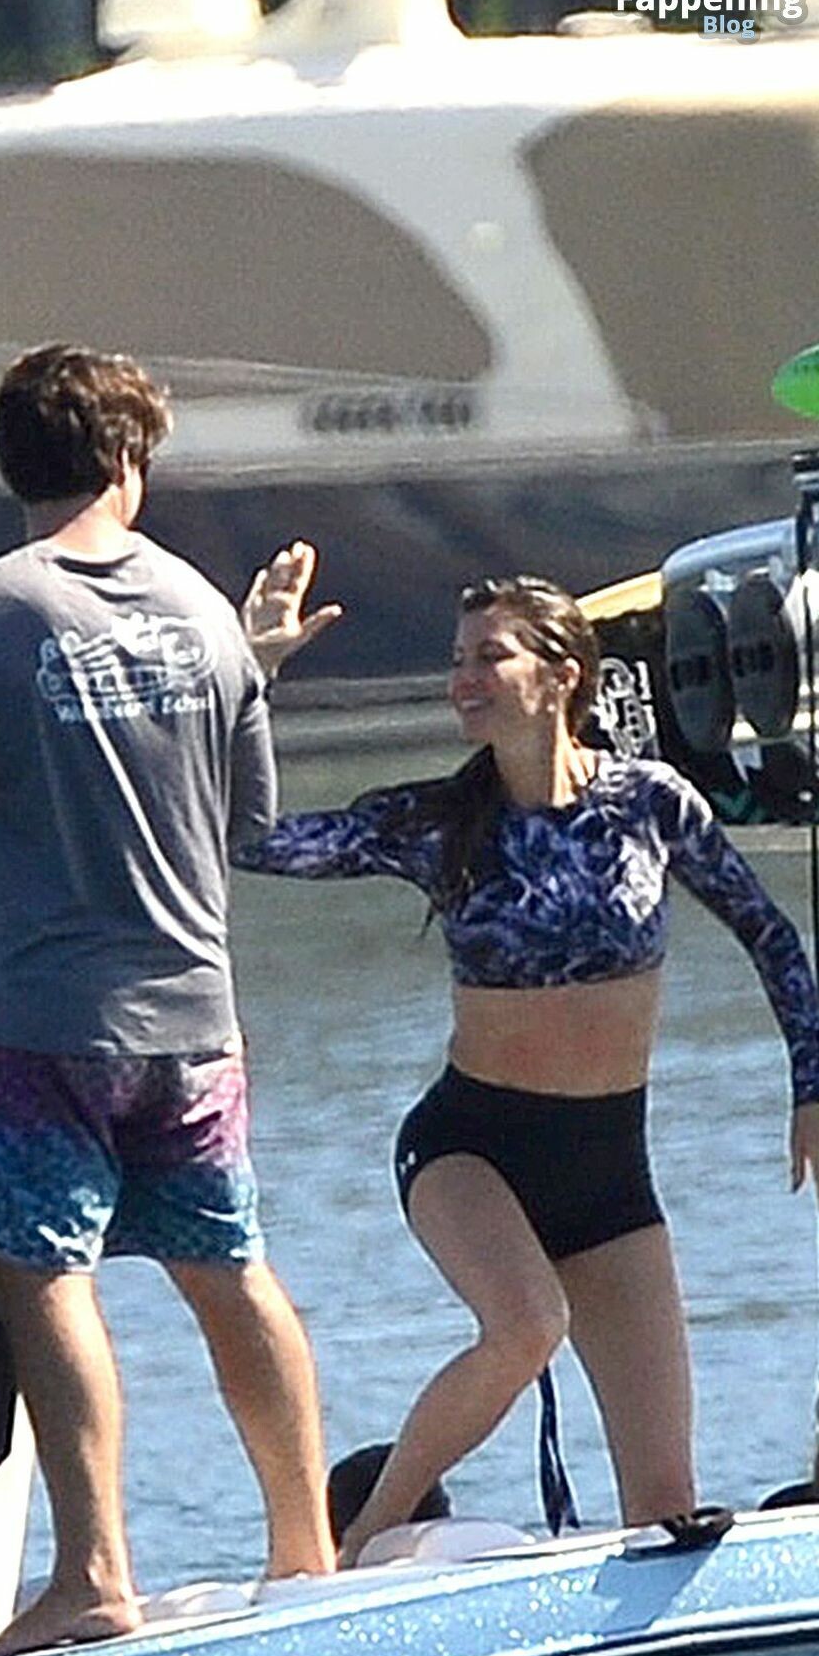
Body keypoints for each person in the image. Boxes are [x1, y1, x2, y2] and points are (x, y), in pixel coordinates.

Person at [0, 345, 342, 1656]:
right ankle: (305, 1551)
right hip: (196, 1020)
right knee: (228, 1267)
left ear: (10, 465)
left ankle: (93, 1573)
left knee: (44, 1277)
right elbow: (249, 818)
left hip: (41, 1023)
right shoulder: (205, 612)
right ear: (130, 460)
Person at [238, 549, 819, 1566]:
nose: (464, 678)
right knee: (525, 1326)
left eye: (489, 657)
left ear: (561, 676)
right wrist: (252, 680)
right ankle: (353, 1548)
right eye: (457, 660)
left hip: (608, 1172)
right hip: (470, 1148)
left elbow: (769, 935)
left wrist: (809, 1088)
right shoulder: (436, 823)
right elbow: (250, 841)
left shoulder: (649, 804)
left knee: (666, 1507)